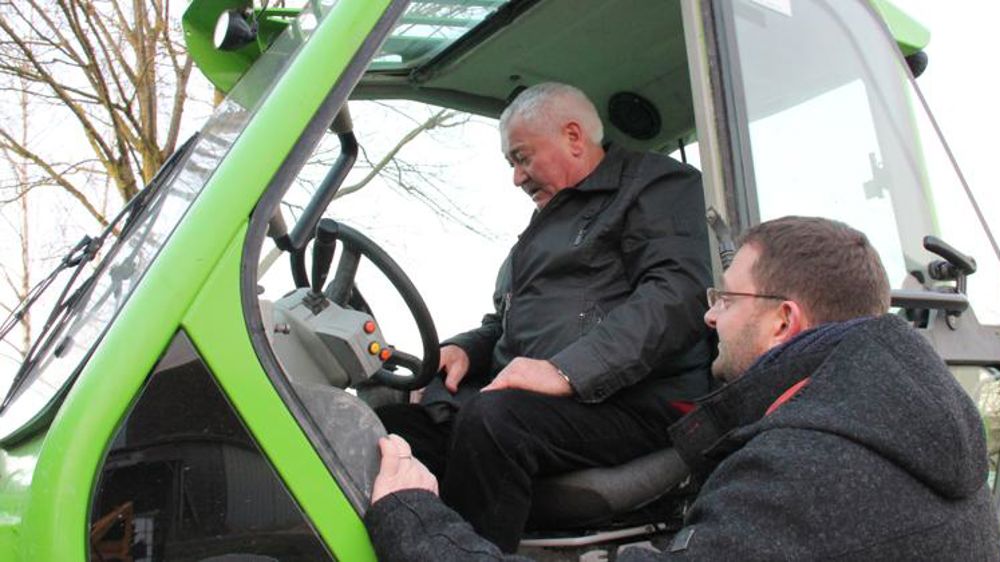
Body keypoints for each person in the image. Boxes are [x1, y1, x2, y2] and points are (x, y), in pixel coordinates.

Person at [365, 216, 1000, 561]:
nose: (709, 317)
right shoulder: (894, 423)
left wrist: (418, 524)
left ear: (783, 321)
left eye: (726, 298)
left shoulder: (810, 471)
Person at [374, 81, 714, 552]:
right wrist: (464, 350)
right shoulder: (540, 232)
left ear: (573, 137)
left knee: (494, 421)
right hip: (539, 402)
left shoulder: (655, 187)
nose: (517, 178)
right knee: (389, 427)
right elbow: (505, 324)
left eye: (522, 158)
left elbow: (677, 294)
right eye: (511, 164)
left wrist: (567, 371)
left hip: (636, 400)